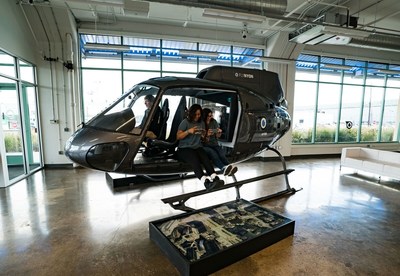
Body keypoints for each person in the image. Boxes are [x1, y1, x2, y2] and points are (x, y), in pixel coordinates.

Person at [176, 104, 224, 190]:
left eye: (199, 114)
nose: (198, 116)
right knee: (195, 160)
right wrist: (188, 131)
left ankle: (215, 178)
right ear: (192, 114)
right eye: (196, 114)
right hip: (184, 148)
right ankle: (206, 182)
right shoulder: (185, 122)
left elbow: (204, 140)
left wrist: (205, 136)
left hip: (197, 147)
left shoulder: (201, 123)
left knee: (205, 159)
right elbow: (178, 136)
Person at [202, 108, 237, 176]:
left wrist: (219, 132)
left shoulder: (213, 121)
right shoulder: (201, 123)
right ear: (205, 116)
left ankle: (230, 168)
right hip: (205, 145)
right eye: (209, 116)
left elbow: (218, 136)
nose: (210, 117)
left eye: (211, 115)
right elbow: (201, 138)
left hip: (214, 143)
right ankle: (223, 168)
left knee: (222, 155)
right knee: (214, 154)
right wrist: (207, 135)